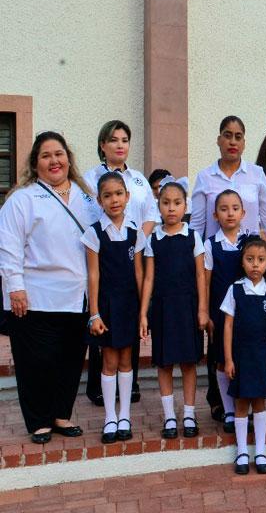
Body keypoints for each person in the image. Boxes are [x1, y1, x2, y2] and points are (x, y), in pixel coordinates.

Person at [0, 132, 99, 443]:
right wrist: (15, 287)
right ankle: (39, 420)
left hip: (78, 296)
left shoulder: (88, 198)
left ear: (68, 158)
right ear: (35, 163)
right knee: (36, 362)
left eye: (59, 154)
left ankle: (61, 414)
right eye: (46, 156)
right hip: (35, 296)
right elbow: (9, 246)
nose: (54, 161)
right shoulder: (22, 199)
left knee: (70, 360)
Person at [82, 120, 158, 407]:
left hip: (132, 249)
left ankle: (130, 384)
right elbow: (86, 216)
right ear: (103, 145)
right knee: (104, 327)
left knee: (129, 325)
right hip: (103, 251)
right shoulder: (90, 178)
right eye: (114, 140)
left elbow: (150, 214)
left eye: (125, 140)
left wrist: (135, 238)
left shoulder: (138, 180)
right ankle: (98, 387)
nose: (120, 145)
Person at [139, 178, 207, 440]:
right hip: (163, 309)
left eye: (177, 203)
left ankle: (189, 414)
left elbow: (201, 275)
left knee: (189, 363)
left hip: (188, 307)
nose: (171, 208)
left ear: (185, 206)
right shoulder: (153, 239)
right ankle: (169, 416)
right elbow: (148, 278)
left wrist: (202, 309)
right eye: (166, 203)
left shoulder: (193, 236)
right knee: (164, 363)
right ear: (158, 206)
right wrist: (143, 313)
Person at [83, 172, 146, 444]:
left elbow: (140, 274)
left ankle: (125, 416)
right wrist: (94, 313)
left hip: (130, 305)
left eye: (119, 194)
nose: (114, 200)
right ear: (99, 200)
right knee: (109, 361)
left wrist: (143, 312)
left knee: (126, 361)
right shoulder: (94, 233)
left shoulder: (135, 233)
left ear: (127, 196)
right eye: (107, 195)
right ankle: (110, 417)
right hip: (107, 307)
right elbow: (93, 275)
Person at [222, 238, 266, 475]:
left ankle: (260, 451)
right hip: (241, 356)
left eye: (260, 260)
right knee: (241, 403)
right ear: (242, 262)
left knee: (259, 403)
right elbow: (228, 326)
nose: (255, 265)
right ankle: (241, 452)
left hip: (263, 357)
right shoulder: (235, 289)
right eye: (250, 259)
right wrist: (229, 359)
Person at [203, 190, 251, 434]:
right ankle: (229, 410)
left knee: (244, 357)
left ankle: (245, 407)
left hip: (247, 312)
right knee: (222, 359)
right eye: (223, 209)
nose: (230, 213)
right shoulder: (210, 244)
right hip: (220, 313)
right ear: (215, 215)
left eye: (235, 208)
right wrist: (205, 312)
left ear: (243, 213)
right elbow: (205, 282)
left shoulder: (250, 241)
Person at [190, 116, 266, 241]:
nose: (233, 142)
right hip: (215, 251)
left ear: (243, 143)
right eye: (227, 136)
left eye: (238, 137)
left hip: (250, 251)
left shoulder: (257, 174)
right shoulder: (204, 177)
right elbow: (197, 225)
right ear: (219, 140)